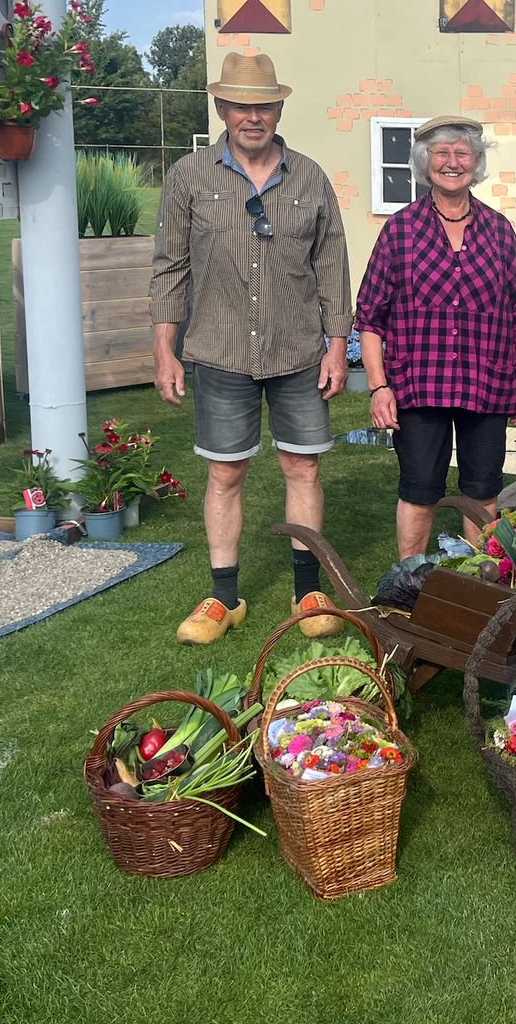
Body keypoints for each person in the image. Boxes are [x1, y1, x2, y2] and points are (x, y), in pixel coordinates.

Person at [151, 52, 351, 645]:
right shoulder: (189, 177)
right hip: (218, 348)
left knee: (302, 464)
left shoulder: (310, 177)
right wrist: (165, 350)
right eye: (241, 104)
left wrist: (338, 346)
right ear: (222, 107)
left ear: (279, 107)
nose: (253, 115)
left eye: (263, 104)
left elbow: (332, 268)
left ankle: (307, 587)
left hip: (297, 352)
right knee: (225, 471)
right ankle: (224, 596)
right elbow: (170, 268)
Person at [355, 115, 516, 559]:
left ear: (477, 162)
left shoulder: (499, 231)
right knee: (419, 492)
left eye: (463, 153)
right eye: (442, 153)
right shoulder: (399, 230)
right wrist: (379, 387)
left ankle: (478, 589)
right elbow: (370, 318)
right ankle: (410, 586)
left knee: (483, 492)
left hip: (486, 383)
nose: (452, 162)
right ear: (424, 161)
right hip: (419, 386)